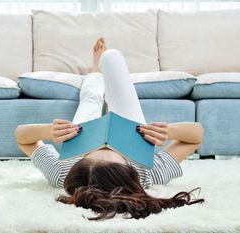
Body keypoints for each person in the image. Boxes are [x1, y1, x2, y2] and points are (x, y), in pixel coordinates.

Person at [14, 37, 205, 220]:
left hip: (81, 134)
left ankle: (96, 70)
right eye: (113, 150)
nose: (105, 143)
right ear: (130, 169)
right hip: (133, 131)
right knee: (111, 57)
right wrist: (169, 132)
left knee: (91, 100)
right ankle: (105, 68)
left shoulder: (63, 172)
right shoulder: (147, 172)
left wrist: (48, 131)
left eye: (94, 150)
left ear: (80, 162)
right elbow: (196, 136)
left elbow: (21, 137)